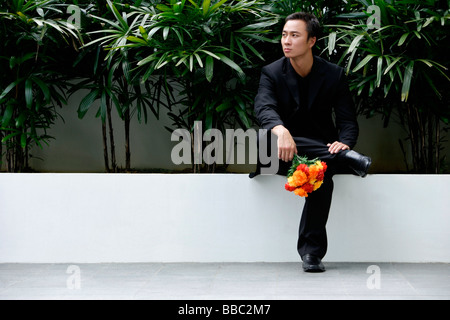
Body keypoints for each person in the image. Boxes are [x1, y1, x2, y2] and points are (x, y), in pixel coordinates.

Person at [250, 12, 372, 272]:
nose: (286, 40)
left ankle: (311, 255)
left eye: (294, 35)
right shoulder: (271, 72)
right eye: (284, 34)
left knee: (321, 175)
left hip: (320, 153)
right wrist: (280, 130)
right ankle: (346, 161)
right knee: (292, 148)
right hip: (276, 153)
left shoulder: (333, 75)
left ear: (311, 41)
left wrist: (345, 144)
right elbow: (264, 108)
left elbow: (347, 121)